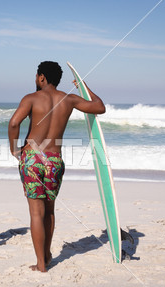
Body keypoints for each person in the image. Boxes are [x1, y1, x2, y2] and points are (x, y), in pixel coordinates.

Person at [8, 61, 106, 272]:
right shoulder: (69, 99)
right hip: (54, 160)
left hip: (33, 158)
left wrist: (13, 149)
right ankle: (47, 254)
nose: (35, 80)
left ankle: (41, 264)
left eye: (36, 76)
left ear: (42, 77)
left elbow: (14, 123)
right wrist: (83, 87)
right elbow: (99, 107)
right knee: (49, 211)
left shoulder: (31, 98)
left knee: (36, 212)